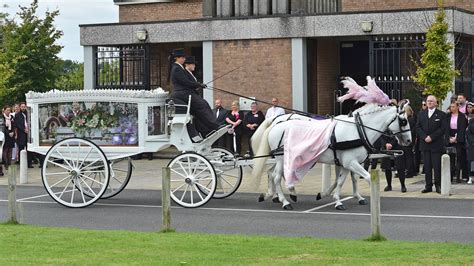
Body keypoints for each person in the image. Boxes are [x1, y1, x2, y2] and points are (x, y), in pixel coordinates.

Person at [170, 50, 217, 141]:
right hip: (182, 93)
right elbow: (184, 82)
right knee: (202, 104)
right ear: (178, 58)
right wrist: (198, 84)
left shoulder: (178, 68)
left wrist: (198, 85)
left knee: (199, 109)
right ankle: (214, 125)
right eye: (183, 58)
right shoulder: (177, 68)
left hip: (183, 92)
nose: (184, 59)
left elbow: (186, 82)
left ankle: (206, 129)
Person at [416, 95, 447, 193]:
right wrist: (425, 137)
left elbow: (442, 129)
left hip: (436, 144)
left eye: (431, 101)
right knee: (427, 166)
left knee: (437, 166)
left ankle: (438, 185)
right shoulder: (421, 114)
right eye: (428, 101)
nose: (429, 103)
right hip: (425, 144)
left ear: (436, 103)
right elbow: (418, 127)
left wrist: (432, 137)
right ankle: (428, 186)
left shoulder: (442, 114)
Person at [445, 101, 468, 183]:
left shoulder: (462, 117)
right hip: (449, 138)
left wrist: (456, 138)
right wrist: (448, 138)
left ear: (458, 107)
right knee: (450, 159)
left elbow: (462, 128)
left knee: (458, 158)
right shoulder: (447, 116)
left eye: (454, 106)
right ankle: (450, 177)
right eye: (451, 107)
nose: (452, 108)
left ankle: (458, 177)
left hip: (459, 139)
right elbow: (445, 128)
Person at [15, 102, 33, 168]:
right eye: (22, 107)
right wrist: (24, 129)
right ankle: (21, 163)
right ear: (20, 107)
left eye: (24, 106)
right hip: (21, 134)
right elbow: (17, 124)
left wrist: (29, 129)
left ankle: (29, 163)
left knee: (29, 148)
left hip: (28, 134)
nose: (23, 108)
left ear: (25, 107)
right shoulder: (17, 115)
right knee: (21, 148)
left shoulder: (28, 114)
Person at [2, 106, 15, 173]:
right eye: (7, 110)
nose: (8, 111)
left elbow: (14, 125)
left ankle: (10, 164)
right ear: (4, 110)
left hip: (11, 135)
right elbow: (3, 127)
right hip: (5, 136)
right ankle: (6, 164)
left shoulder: (12, 117)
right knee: (5, 150)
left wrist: (13, 132)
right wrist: (8, 133)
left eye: (9, 110)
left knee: (10, 149)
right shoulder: (2, 117)